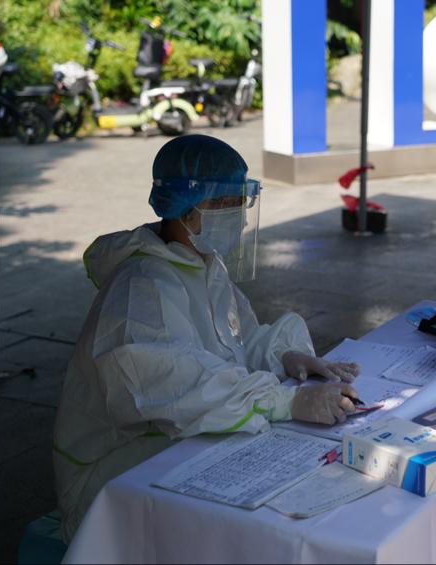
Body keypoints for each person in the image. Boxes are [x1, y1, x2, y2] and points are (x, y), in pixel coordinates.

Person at [53, 135, 361, 541]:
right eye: (223, 202)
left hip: (178, 438)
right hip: (116, 473)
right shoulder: (142, 288)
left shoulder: (202, 265)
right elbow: (178, 388)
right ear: (186, 207)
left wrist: (284, 355)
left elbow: (232, 344)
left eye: (240, 201)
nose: (237, 215)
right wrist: (285, 401)